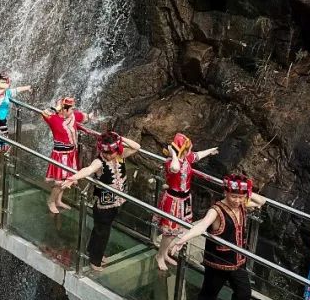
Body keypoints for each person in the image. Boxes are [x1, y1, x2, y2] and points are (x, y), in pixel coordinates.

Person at [169, 175, 269, 300]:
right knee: (209, 293)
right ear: (225, 192)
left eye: (240, 196)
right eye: (233, 196)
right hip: (217, 261)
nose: (237, 200)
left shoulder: (243, 204)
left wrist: (246, 191)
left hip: (238, 261)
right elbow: (201, 226)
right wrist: (182, 240)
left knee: (244, 293)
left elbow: (262, 201)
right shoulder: (216, 211)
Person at [58, 132, 142, 270]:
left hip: (117, 201)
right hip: (104, 204)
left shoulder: (121, 156)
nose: (108, 156)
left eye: (111, 153)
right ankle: (95, 261)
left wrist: (120, 139)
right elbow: (88, 169)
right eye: (105, 152)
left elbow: (136, 147)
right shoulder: (99, 161)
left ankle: (93, 251)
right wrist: (73, 178)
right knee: (102, 232)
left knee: (100, 229)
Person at [152, 133, 219, 272]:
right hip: (173, 200)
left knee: (178, 230)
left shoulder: (187, 158)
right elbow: (175, 169)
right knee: (169, 232)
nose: (189, 150)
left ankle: (164, 253)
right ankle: (159, 255)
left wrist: (211, 150)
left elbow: (198, 155)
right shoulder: (171, 162)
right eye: (186, 148)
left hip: (185, 199)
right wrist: (174, 154)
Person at [42, 98, 89, 214]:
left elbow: (86, 117)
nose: (73, 110)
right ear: (64, 109)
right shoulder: (53, 119)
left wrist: (91, 116)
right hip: (60, 154)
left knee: (67, 179)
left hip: (71, 154)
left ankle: (58, 200)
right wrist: (57, 108)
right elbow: (43, 112)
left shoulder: (74, 116)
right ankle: (51, 201)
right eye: (71, 108)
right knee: (59, 182)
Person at [0, 73, 32, 181]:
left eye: (4, 83)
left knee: (0, 147)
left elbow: (17, 90)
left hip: (3, 122)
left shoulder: (7, 93)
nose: (2, 85)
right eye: (0, 83)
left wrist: (27, 88)